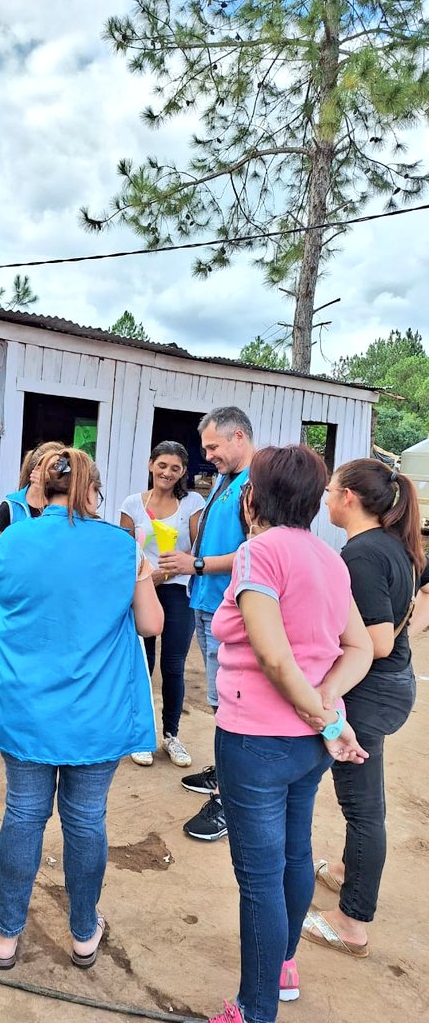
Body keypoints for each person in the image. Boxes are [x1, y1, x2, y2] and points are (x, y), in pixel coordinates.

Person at [205, 445, 372, 1023]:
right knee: (294, 855)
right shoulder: (329, 558)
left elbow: (275, 659)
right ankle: (282, 966)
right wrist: (327, 704)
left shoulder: (259, 553)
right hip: (307, 747)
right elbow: (359, 647)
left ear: (253, 496)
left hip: (256, 741)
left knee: (259, 879)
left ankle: (254, 1010)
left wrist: (324, 715)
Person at [0, 448, 163, 971]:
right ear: (91, 491)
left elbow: (7, 591)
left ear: (45, 488)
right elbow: (150, 624)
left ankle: (6, 933)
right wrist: (143, 574)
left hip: (25, 705)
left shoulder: (15, 538)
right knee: (85, 820)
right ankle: (84, 932)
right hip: (96, 710)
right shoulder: (122, 546)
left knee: (23, 813)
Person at [302, 458, 428, 958]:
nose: (326, 500)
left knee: (363, 809)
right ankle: (345, 869)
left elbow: (376, 641)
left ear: (349, 498)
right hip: (391, 684)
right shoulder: (393, 544)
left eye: (330, 491)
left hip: (370, 692)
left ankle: (352, 922)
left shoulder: (363, 554)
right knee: (362, 801)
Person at [160, 406, 254, 841]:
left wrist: (195, 564)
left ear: (239, 437)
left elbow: (256, 552)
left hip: (228, 607)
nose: (209, 455)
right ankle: (225, 771)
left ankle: (229, 798)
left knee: (231, 700)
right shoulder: (224, 479)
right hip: (205, 601)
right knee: (219, 698)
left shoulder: (255, 485)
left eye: (214, 447)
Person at [119, 440, 205, 767]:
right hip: (142, 591)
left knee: (173, 664)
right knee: (143, 664)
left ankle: (171, 735)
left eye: (175, 468)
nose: (167, 472)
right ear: (150, 464)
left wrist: (164, 574)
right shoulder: (132, 504)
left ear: (183, 472)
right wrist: (143, 579)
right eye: (162, 465)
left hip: (178, 590)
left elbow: (197, 550)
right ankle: (140, 735)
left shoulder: (192, 503)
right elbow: (124, 552)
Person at [0, 440, 65, 554]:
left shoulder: (62, 506)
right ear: (38, 469)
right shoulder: (11, 506)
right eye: (55, 467)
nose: (60, 473)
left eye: (63, 468)